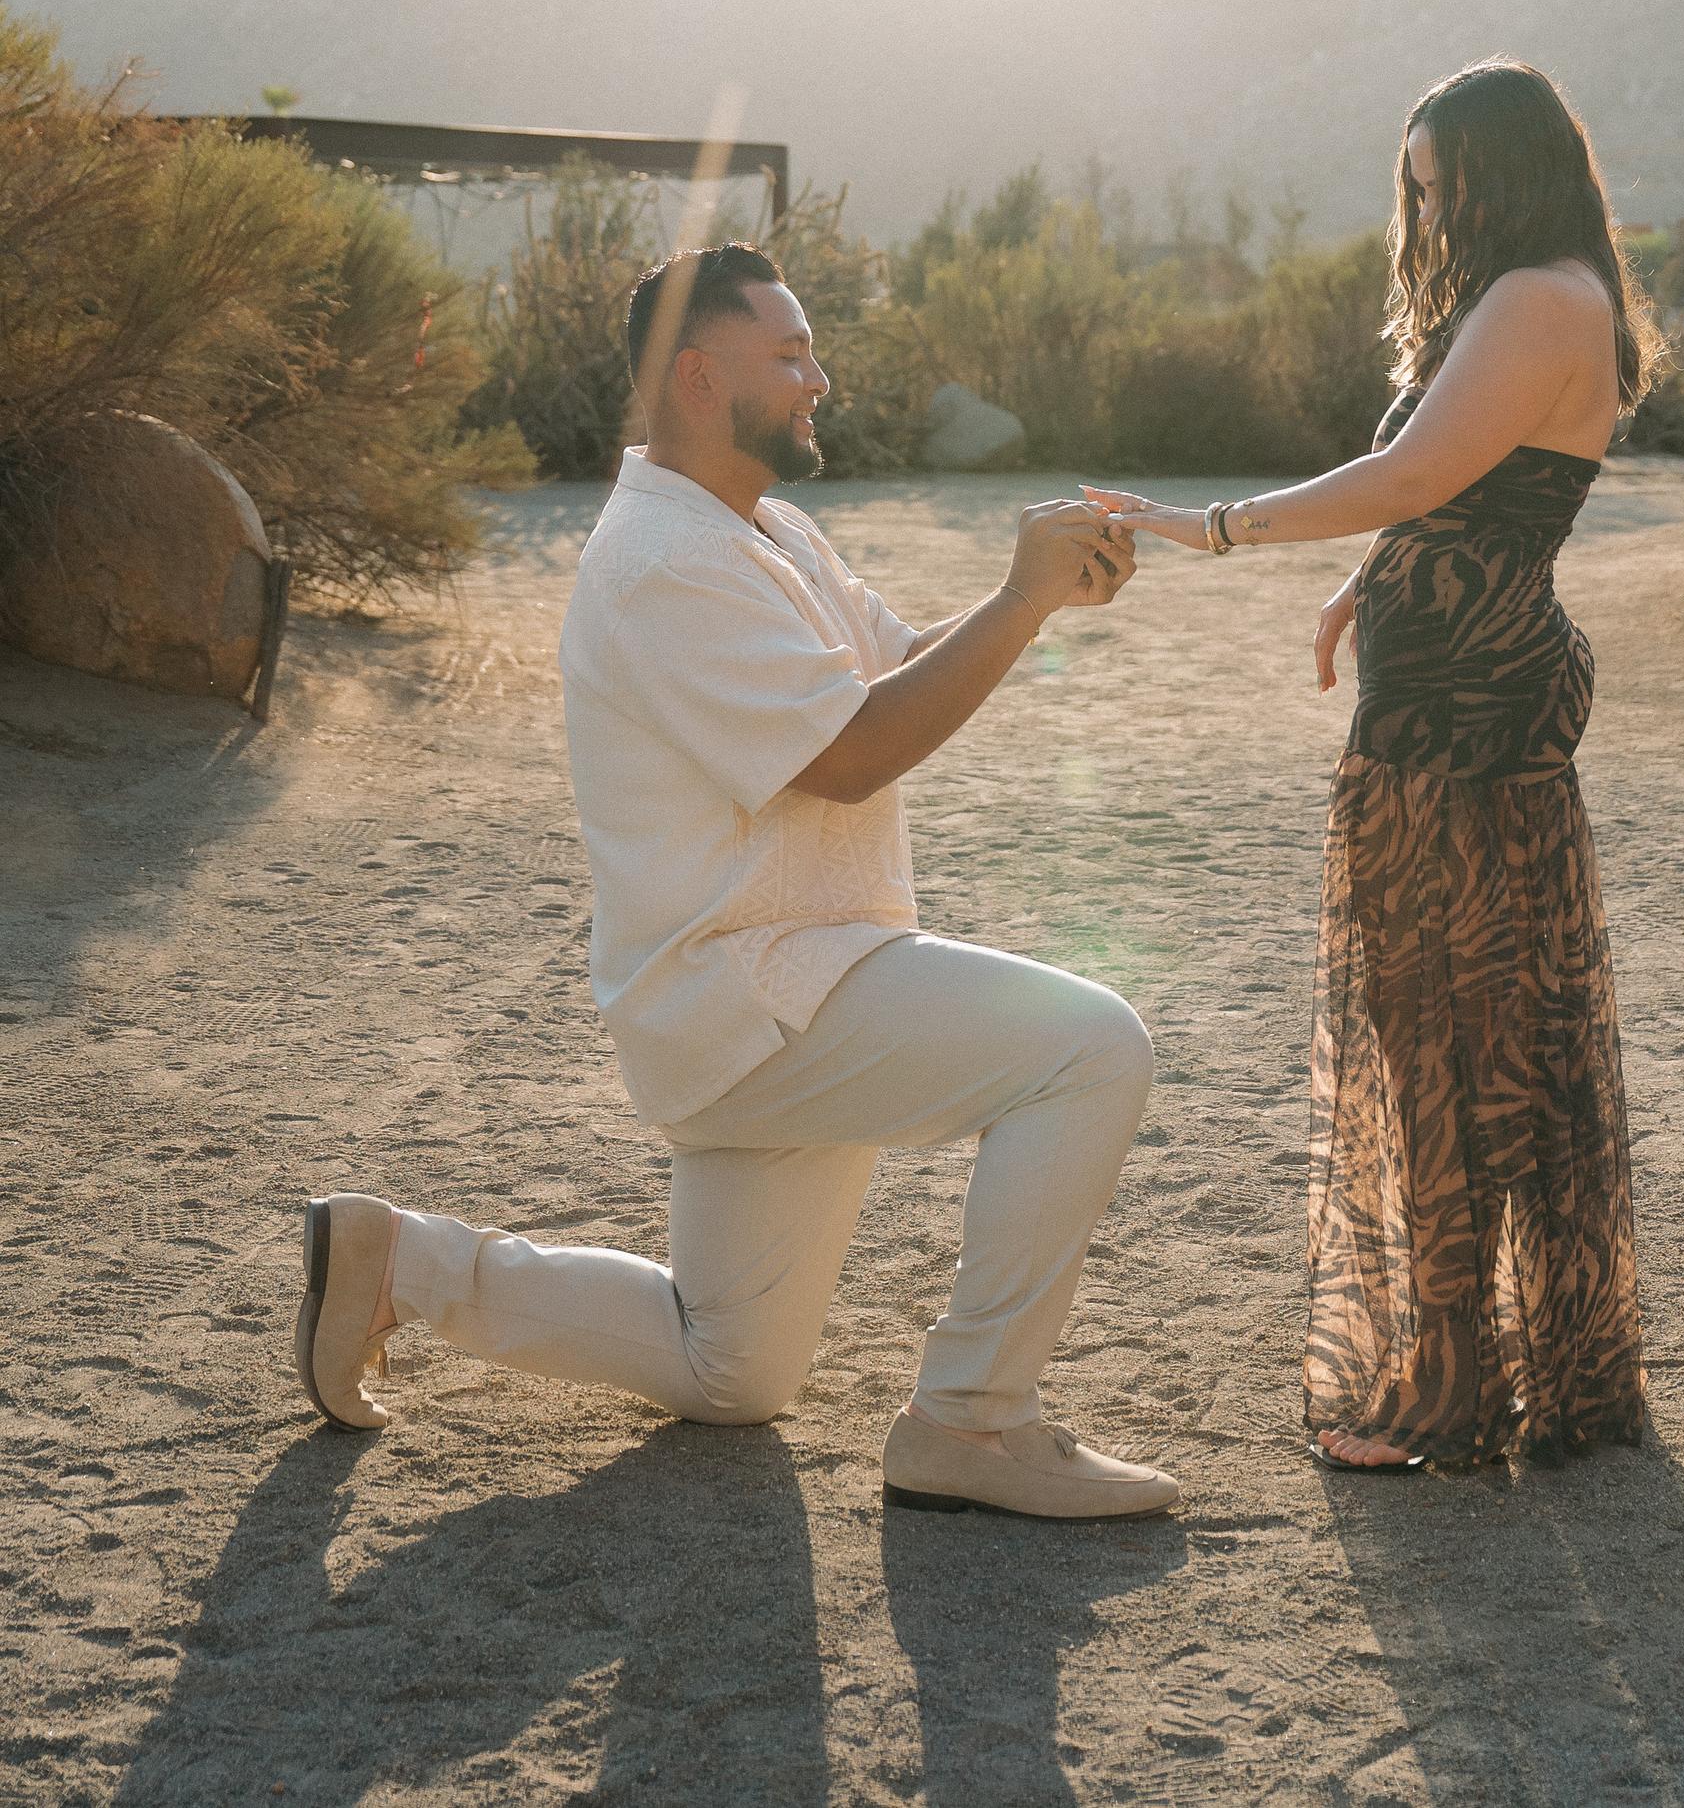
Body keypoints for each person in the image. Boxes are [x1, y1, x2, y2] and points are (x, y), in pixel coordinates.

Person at [295, 240, 1180, 1521]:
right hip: (765, 996)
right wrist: (1015, 599)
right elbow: (855, 753)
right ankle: (973, 1423)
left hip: (764, 997)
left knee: (733, 1372)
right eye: (790, 353)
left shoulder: (756, 527)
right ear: (699, 380)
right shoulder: (667, 562)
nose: (819, 377)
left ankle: (404, 1261)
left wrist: (1030, 597)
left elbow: (882, 675)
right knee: (1092, 1048)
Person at [1090, 59, 1651, 1472]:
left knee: (1447, 1034)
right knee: (1474, 1025)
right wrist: (1375, 582)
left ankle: (1447, 1390)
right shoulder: (1547, 291)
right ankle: (1518, 1365)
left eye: (1438, 179)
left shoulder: (1537, 297)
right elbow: (1465, 490)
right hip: (1461, 680)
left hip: (1469, 708)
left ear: (1502, 168)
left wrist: (1212, 526)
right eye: (1411, 185)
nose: (1424, 208)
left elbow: (1418, 476)